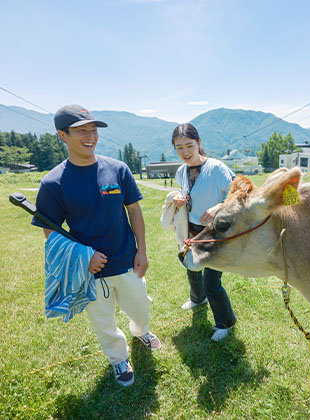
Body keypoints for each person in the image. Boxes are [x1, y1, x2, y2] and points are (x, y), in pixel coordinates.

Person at [31, 104, 161, 387]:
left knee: (141, 307)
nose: (90, 136)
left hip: (127, 260)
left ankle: (141, 331)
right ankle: (118, 359)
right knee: (104, 321)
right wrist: (82, 258)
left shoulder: (118, 169)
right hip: (91, 271)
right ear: (62, 135)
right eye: (81, 131)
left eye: (93, 130)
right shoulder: (53, 182)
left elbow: (134, 211)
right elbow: (50, 232)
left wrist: (142, 250)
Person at [171, 123, 237, 341]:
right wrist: (179, 200)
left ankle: (225, 323)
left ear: (199, 144)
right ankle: (197, 299)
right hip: (192, 231)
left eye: (189, 146)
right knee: (192, 270)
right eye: (179, 148)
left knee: (211, 281)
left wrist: (219, 206)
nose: (185, 152)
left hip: (216, 233)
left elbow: (241, 193)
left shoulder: (217, 168)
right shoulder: (181, 171)